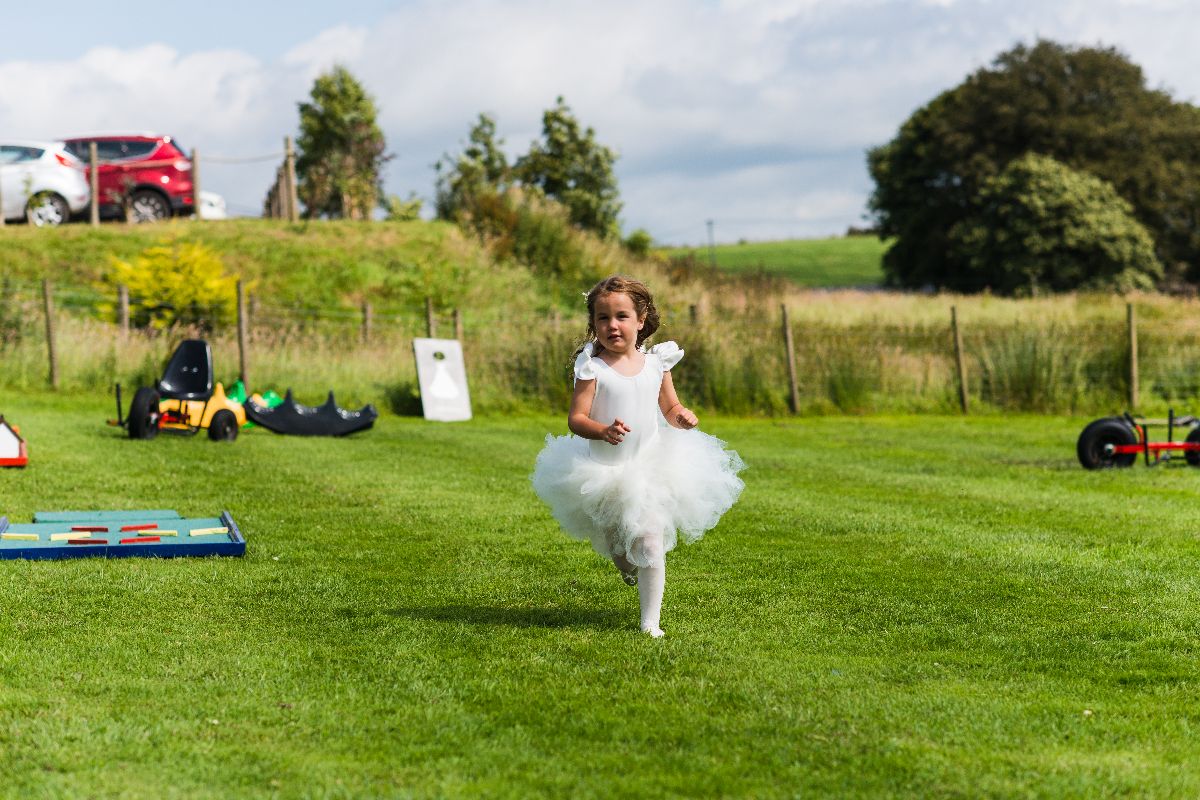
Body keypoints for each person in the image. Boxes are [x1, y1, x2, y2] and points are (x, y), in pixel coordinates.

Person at [531, 275, 745, 638]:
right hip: (604, 472)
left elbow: (670, 406)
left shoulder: (656, 363)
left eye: (621, 316)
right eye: (602, 318)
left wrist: (682, 416)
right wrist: (602, 430)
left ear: (641, 319)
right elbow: (576, 419)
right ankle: (627, 565)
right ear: (593, 323)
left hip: (651, 467)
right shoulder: (591, 368)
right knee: (620, 545)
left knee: (649, 540)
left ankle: (650, 622)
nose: (612, 325)